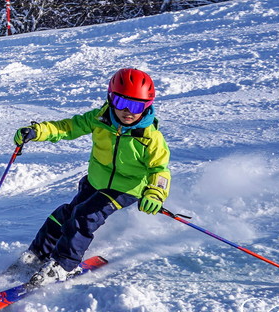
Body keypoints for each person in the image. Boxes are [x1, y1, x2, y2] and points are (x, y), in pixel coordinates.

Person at [12, 67, 171, 286]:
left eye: (136, 105)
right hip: (95, 180)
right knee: (65, 214)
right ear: (110, 98)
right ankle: (38, 253)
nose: (127, 111)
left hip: (125, 188)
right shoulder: (99, 119)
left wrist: (155, 192)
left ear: (147, 106)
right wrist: (38, 131)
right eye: (120, 102)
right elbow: (68, 127)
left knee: (84, 217)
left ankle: (64, 266)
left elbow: (160, 170)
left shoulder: (150, 138)